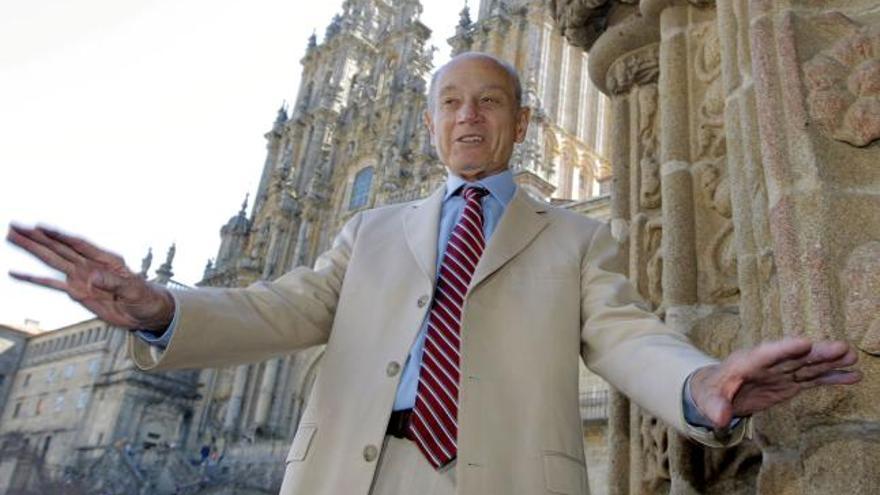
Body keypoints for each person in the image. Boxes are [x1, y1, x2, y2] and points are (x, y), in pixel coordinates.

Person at [7, 52, 861, 495]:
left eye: (489, 101)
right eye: (451, 101)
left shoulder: (570, 236)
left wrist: (700, 383)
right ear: (428, 123)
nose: (468, 116)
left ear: (521, 123)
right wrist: (159, 306)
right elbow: (281, 310)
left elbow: (625, 332)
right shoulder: (369, 229)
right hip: (354, 470)